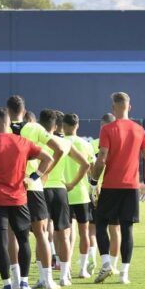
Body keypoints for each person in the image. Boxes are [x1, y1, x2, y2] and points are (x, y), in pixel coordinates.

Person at [0, 108, 53, 289]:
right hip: (19, 199)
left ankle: (8, 285)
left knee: (2, 242)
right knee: (24, 240)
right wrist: (33, 177)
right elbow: (48, 158)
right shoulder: (22, 142)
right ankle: (23, 283)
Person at [90, 92, 145, 285]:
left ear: (113, 108)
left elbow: (101, 159)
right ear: (130, 107)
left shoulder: (108, 129)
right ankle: (124, 274)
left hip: (110, 186)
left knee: (100, 223)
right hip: (131, 187)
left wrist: (93, 182)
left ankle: (107, 263)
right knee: (127, 229)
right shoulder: (139, 129)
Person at [5, 95, 66, 289]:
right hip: (32, 186)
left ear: (7, 111)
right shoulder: (34, 128)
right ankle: (47, 280)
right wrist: (41, 174)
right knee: (40, 233)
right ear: (24, 110)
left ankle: (15, 281)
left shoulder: (0, 130)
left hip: (10, 188)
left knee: (12, 234)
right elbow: (58, 150)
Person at [39, 110, 89, 286]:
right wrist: (72, 184)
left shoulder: (37, 141)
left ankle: (43, 278)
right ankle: (64, 276)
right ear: (57, 126)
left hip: (41, 190)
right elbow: (86, 164)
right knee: (64, 234)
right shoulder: (64, 143)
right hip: (60, 191)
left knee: (41, 234)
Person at [61, 113, 96, 278]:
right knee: (84, 233)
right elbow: (91, 168)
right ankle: (82, 269)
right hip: (81, 194)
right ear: (77, 126)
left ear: (64, 126)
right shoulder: (86, 144)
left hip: (63, 193)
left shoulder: (59, 143)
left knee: (64, 234)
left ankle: (66, 269)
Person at [88, 113, 116, 275]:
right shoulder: (118, 143)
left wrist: (93, 184)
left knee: (94, 227)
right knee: (116, 228)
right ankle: (113, 264)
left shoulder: (93, 144)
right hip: (116, 189)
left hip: (98, 189)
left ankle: (94, 261)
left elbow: (91, 166)